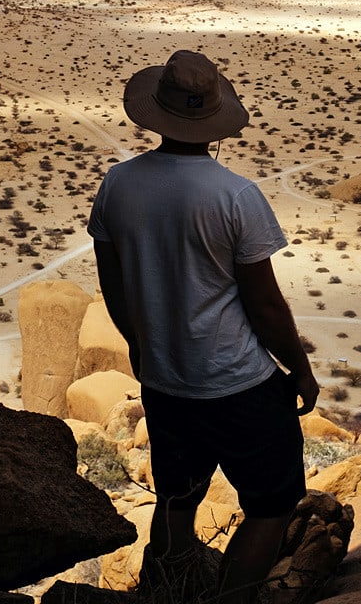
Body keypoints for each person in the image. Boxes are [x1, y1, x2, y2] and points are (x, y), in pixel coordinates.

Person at [87, 49, 319, 604]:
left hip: (166, 381)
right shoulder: (234, 195)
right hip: (238, 381)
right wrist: (300, 369)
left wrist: (140, 346)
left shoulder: (119, 184)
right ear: (215, 122)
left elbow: (113, 285)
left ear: (156, 113)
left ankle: (165, 592)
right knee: (271, 503)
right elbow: (263, 304)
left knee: (176, 499)